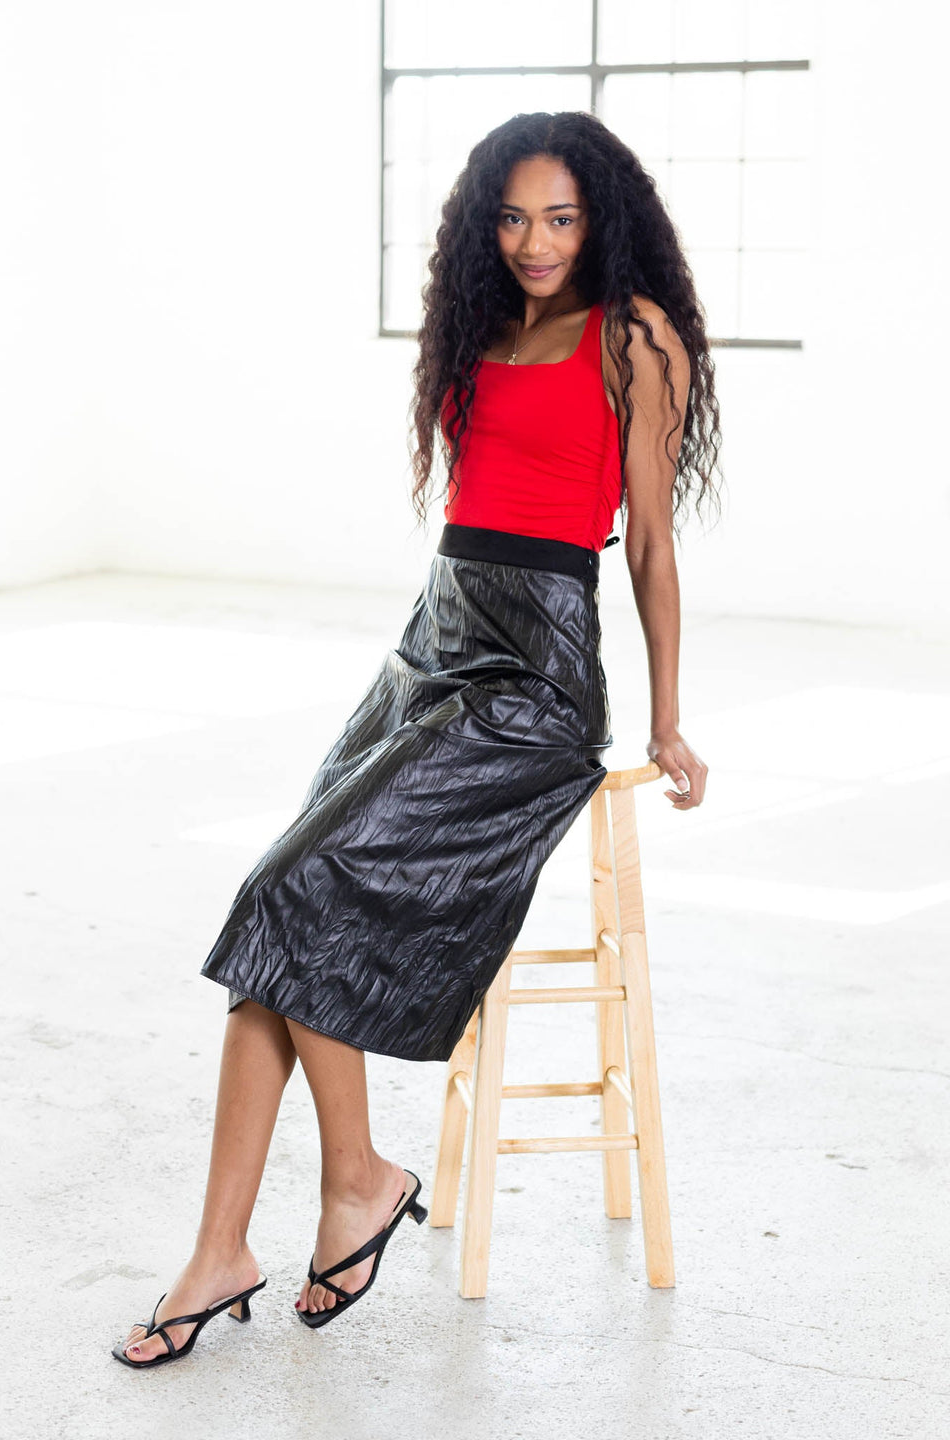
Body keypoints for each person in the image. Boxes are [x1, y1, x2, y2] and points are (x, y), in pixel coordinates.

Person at [112, 109, 720, 1367]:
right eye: (514, 218)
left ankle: (358, 1181)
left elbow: (653, 544)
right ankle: (225, 1247)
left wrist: (667, 717)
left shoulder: (634, 337)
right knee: (273, 940)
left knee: (285, 889)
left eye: (561, 218)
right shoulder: (479, 323)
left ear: (601, 219)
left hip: (535, 675)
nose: (536, 241)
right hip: (433, 640)